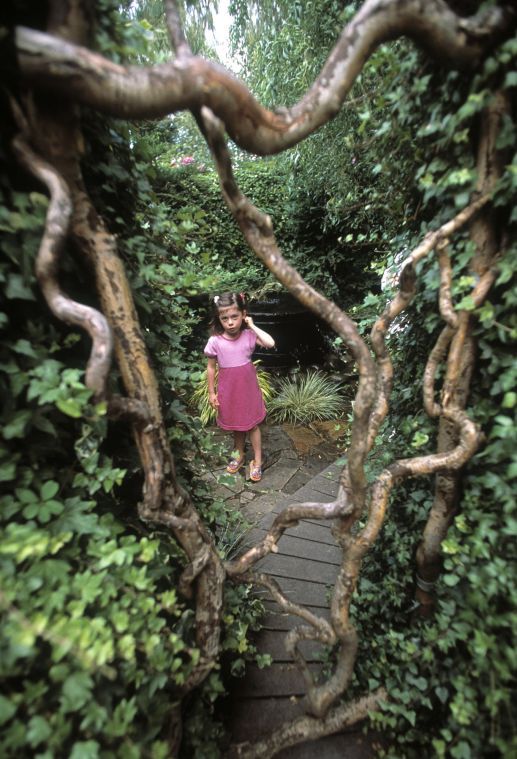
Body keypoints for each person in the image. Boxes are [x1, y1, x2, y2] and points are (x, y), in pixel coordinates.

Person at [204, 291, 275, 482]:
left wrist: (251, 325)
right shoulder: (215, 342)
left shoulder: (249, 336)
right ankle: (239, 455)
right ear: (219, 319)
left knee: (252, 425)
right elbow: (211, 368)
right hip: (229, 391)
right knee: (237, 426)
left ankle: (257, 461)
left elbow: (270, 342)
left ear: (243, 314)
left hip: (248, 391)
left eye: (235, 317)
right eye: (224, 318)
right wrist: (212, 393)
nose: (230, 322)